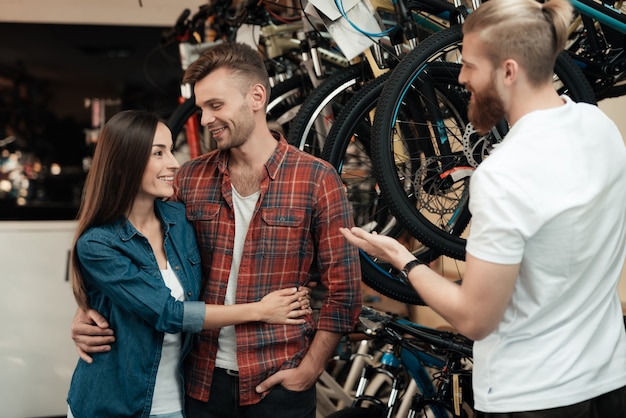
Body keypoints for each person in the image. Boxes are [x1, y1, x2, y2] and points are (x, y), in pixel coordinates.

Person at [340, 0, 626, 416]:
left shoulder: (504, 174)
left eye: (470, 65)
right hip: (609, 382)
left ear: (509, 71)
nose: (460, 76)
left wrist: (403, 259)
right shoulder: (599, 127)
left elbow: (475, 319)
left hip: (533, 396)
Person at [71, 42, 362, 418]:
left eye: (215, 105)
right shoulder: (190, 178)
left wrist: (308, 371)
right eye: (201, 108)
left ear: (256, 96)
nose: (205, 119)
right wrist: (87, 310)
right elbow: (124, 235)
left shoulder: (316, 179)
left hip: (278, 380)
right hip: (200, 383)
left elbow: (345, 291)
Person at [66, 110, 312, 418]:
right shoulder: (98, 244)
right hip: (112, 404)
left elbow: (228, 262)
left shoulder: (180, 219)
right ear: (122, 164)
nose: (173, 163)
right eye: (158, 153)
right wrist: (262, 310)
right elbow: (167, 313)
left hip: (180, 401)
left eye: (170, 150)